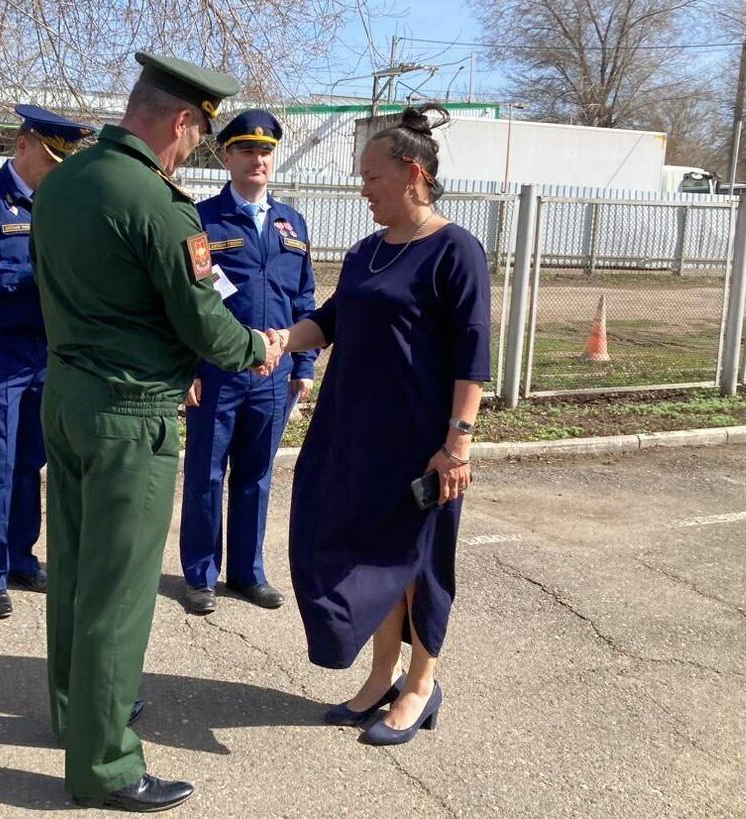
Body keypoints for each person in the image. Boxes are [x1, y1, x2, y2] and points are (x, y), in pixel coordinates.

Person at [31, 53, 282, 811]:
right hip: (130, 415)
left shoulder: (63, 180)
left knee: (74, 573)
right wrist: (253, 349)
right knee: (120, 591)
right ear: (180, 119)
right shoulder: (158, 202)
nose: (190, 152)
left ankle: (80, 715)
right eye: (196, 137)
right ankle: (106, 765)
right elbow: (199, 311)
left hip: (68, 395)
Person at [269, 104, 490, 746]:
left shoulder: (456, 250)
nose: (361, 188)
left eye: (370, 177)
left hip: (421, 443)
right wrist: (281, 340)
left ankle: (420, 685)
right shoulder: (367, 251)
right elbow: (332, 320)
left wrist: (457, 444)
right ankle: (380, 676)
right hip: (352, 435)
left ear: (411, 174)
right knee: (366, 557)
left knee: (417, 562)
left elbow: (472, 356)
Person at [0, 105, 95, 619]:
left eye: (64, 161)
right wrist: (26, 278)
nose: (57, 169)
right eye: (52, 158)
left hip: (48, 352)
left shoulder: (63, 205)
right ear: (23, 145)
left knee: (33, 459)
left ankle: (21, 557)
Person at [178, 109, 318, 615]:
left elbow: (305, 298)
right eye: (246, 150)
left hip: (275, 374)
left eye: (265, 152)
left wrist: (303, 365)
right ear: (226, 156)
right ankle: (200, 575)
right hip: (218, 371)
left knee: (257, 475)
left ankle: (247, 572)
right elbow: (193, 297)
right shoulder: (202, 220)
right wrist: (188, 366)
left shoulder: (292, 223)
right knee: (206, 473)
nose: (257, 160)